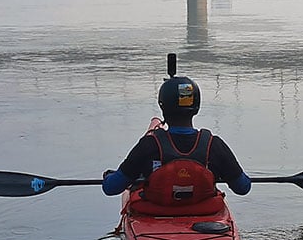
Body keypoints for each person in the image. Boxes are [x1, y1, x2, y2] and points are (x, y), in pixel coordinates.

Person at [102, 74, 252, 207]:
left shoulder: (148, 145)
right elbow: (243, 188)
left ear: (162, 106)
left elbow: (110, 188)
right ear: (196, 107)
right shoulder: (215, 145)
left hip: (156, 214)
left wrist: (108, 176)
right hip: (204, 214)